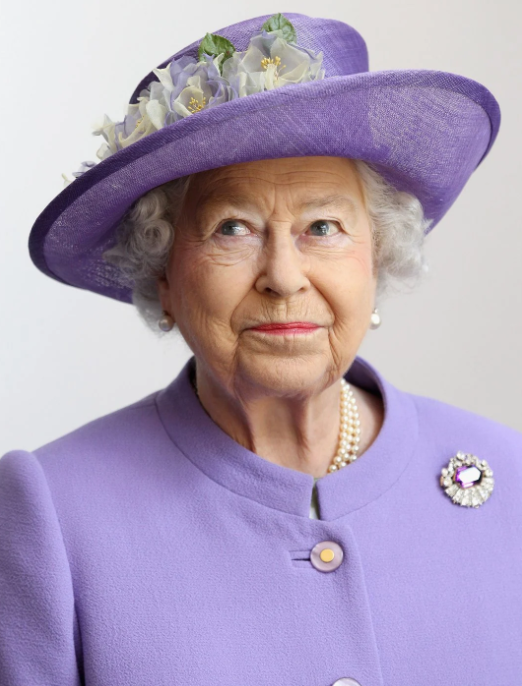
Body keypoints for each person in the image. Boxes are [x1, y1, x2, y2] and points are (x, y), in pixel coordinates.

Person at [1, 12, 520, 686]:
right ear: (163, 273)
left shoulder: (512, 479)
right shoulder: (55, 514)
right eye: (232, 228)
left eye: (324, 226)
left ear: (378, 256)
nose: (282, 274)